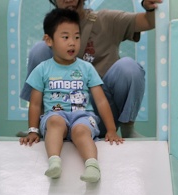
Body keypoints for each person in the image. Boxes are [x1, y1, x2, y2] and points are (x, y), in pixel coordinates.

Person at [20, 0, 162, 138]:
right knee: (39, 49)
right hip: (58, 115)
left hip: (100, 113)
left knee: (129, 67)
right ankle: (39, 127)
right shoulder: (52, 30)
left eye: (76, 37)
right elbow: (36, 100)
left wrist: (149, 7)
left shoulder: (106, 19)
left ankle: (128, 129)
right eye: (65, 37)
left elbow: (149, 21)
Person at [21, 9, 123, 183]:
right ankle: (54, 162)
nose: (72, 43)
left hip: (82, 116)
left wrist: (112, 130)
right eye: (65, 37)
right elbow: (36, 104)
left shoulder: (86, 68)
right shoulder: (42, 69)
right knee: (54, 122)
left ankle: (92, 166)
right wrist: (33, 130)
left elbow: (100, 100)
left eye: (77, 37)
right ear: (49, 40)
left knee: (81, 130)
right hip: (55, 115)